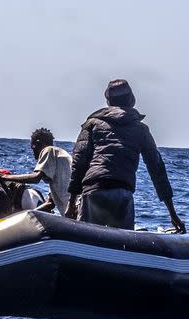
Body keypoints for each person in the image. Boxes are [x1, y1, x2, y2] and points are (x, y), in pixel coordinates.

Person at [65, 79, 185, 232]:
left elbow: (79, 163)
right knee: (121, 247)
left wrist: (71, 203)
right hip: (122, 193)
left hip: (93, 191)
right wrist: (173, 214)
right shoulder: (141, 129)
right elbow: (157, 170)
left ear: (108, 101)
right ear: (131, 100)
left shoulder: (92, 124)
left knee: (85, 243)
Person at [0, 128, 72, 215]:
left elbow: (36, 178)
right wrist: (25, 216)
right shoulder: (59, 159)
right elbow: (50, 204)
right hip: (76, 209)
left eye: (32, 147)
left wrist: (4, 177)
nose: (33, 152)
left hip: (75, 207)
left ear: (38, 142)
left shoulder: (49, 150)